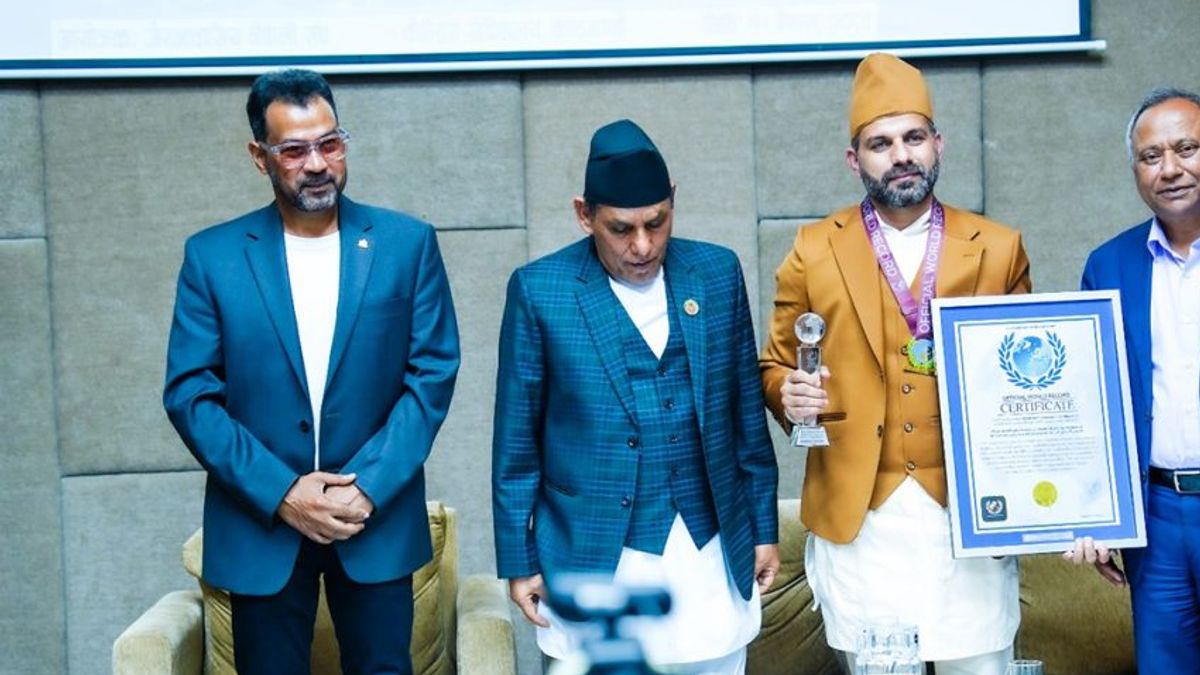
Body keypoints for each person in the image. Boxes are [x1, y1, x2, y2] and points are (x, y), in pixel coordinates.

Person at [162, 68, 460, 674]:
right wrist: (283, 492)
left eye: (330, 142)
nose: (318, 163)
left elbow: (432, 374)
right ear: (260, 157)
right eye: (294, 150)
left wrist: (367, 485)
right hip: (260, 524)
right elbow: (190, 395)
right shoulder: (212, 257)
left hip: (374, 520)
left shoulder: (407, 244)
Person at [759, 53, 1031, 675]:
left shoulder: (998, 248)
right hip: (862, 519)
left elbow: (1024, 386)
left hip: (967, 516)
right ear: (854, 159)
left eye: (913, 138)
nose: (900, 155)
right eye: (880, 144)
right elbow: (775, 365)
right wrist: (788, 394)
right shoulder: (813, 249)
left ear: (938, 144)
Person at [491, 119, 779, 674]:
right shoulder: (540, 289)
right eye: (621, 229)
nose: (642, 245)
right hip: (596, 548)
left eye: (657, 222)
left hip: (707, 548)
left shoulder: (717, 273)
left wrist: (763, 526)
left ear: (673, 203)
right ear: (585, 214)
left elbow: (746, 415)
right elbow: (516, 445)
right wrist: (519, 559)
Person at [1067, 87, 1200, 673]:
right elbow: (1090, 402)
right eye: (1151, 156)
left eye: (1186, 149)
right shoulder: (1109, 266)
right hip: (1158, 516)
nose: (1169, 169)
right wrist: (1098, 511)